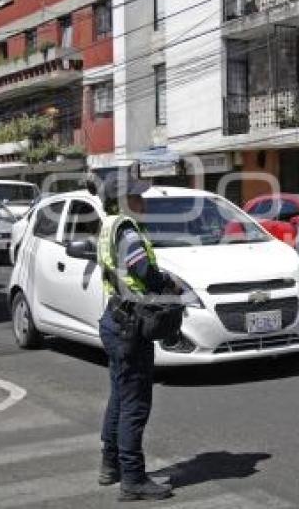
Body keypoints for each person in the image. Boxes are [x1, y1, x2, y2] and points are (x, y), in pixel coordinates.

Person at [95, 173, 177, 502]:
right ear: (122, 200)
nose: (144, 201)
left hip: (115, 321)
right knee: (135, 404)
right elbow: (142, 270)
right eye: (137, 196)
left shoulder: (109, 225)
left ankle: (109, 464)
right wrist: (168, 284)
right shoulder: (127, 230)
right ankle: (133, 479)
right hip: (130, 326)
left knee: (119, 395)